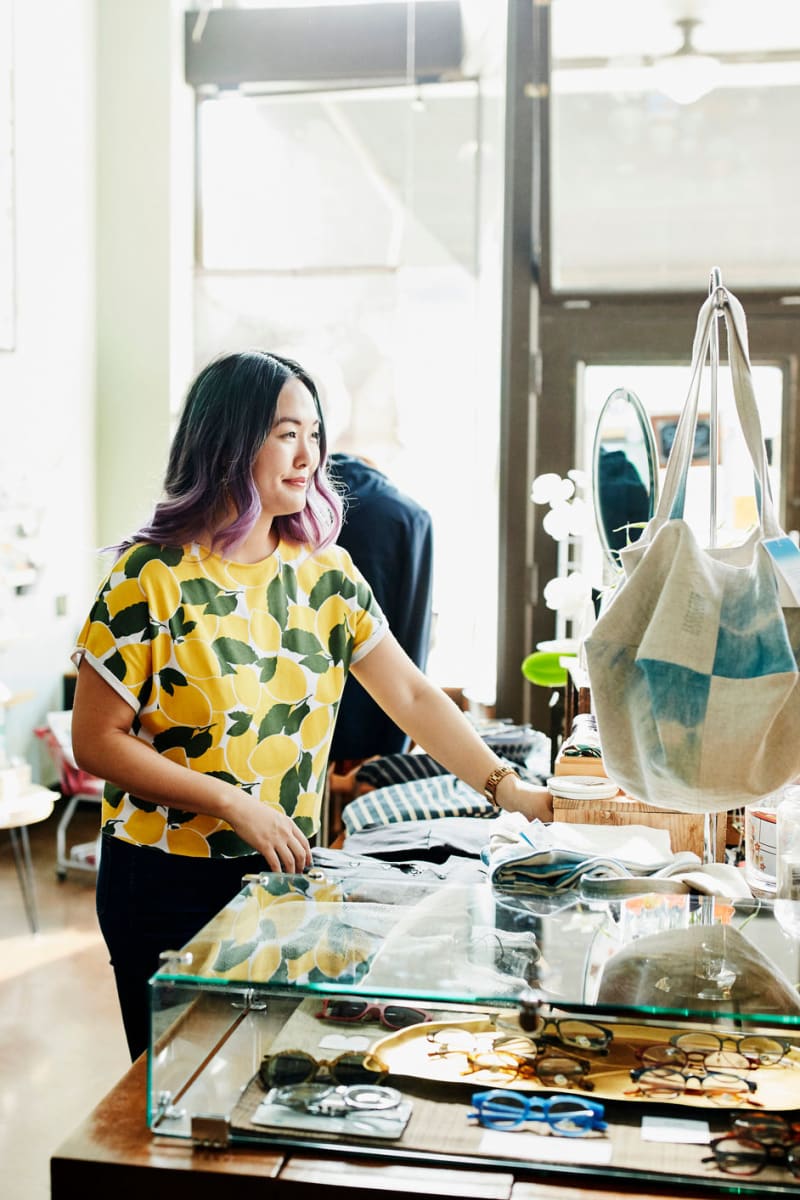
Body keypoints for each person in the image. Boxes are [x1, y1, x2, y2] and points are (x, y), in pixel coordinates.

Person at [70, 350, 553, 1061]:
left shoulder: (326, 573)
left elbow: (413, 695)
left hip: (282, 875)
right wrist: (232, 802)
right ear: (230, 441)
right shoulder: (150, 577)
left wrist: (508, 788)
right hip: (163, 880)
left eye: (315, 434)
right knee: (177, 1090)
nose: (310, 455)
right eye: (286, 433)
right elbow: (97, 742)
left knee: (269, 1077)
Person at [329, 450, 434, 760]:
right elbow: (414, 622)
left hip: (305, 707)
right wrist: (396, 744)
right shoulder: (410, 516)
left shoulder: (297, 505)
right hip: (383, 696)